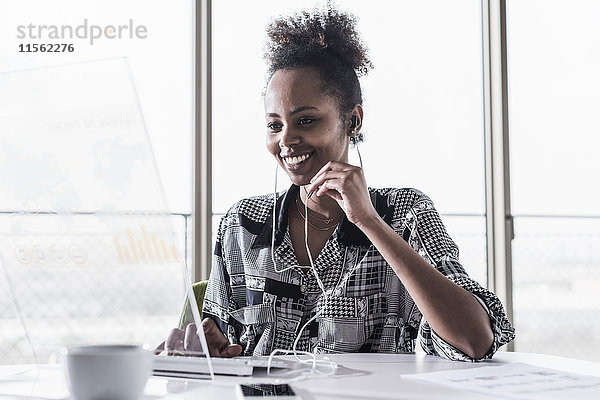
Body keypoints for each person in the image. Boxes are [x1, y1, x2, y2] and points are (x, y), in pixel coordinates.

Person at [162, 5, 515, 361]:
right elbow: (218, 342)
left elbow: (475, 342)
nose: (286, 140)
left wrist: (368, 221)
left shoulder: (405, 213)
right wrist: (201, 349)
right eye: (274, 125)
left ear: (353, 120)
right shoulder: (244, 224)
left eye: (306, 120)